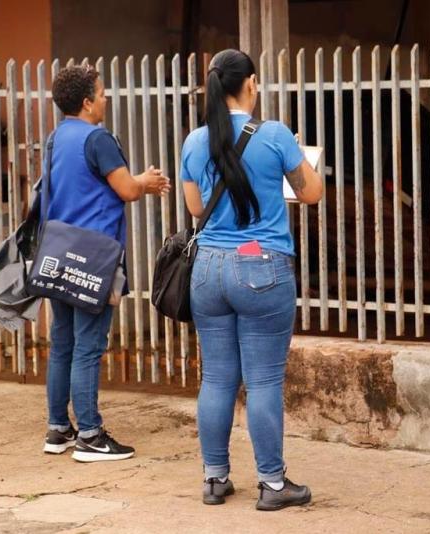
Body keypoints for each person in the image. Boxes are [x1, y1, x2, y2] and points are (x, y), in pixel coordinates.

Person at [180, 49, 323, 510]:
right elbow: (313, 193)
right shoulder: (276, 135)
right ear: (251, 84)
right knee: (263, 381)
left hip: (209, 269)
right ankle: (273, 485)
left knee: (217, 378)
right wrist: (295, 155)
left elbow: (197, 209)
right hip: (261, 265)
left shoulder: (194, 141)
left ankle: (215, 478)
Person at [42, 65, 170, 462]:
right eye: (102, 92)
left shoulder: (55, 137)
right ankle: (91, 435)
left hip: (59, 250)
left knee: (62, 343)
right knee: (88, 346)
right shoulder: (98, 139)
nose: (106, 98)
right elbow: (127, 189)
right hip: (95, 256)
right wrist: (146, 180)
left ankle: (58, 429)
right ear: (86, 101)